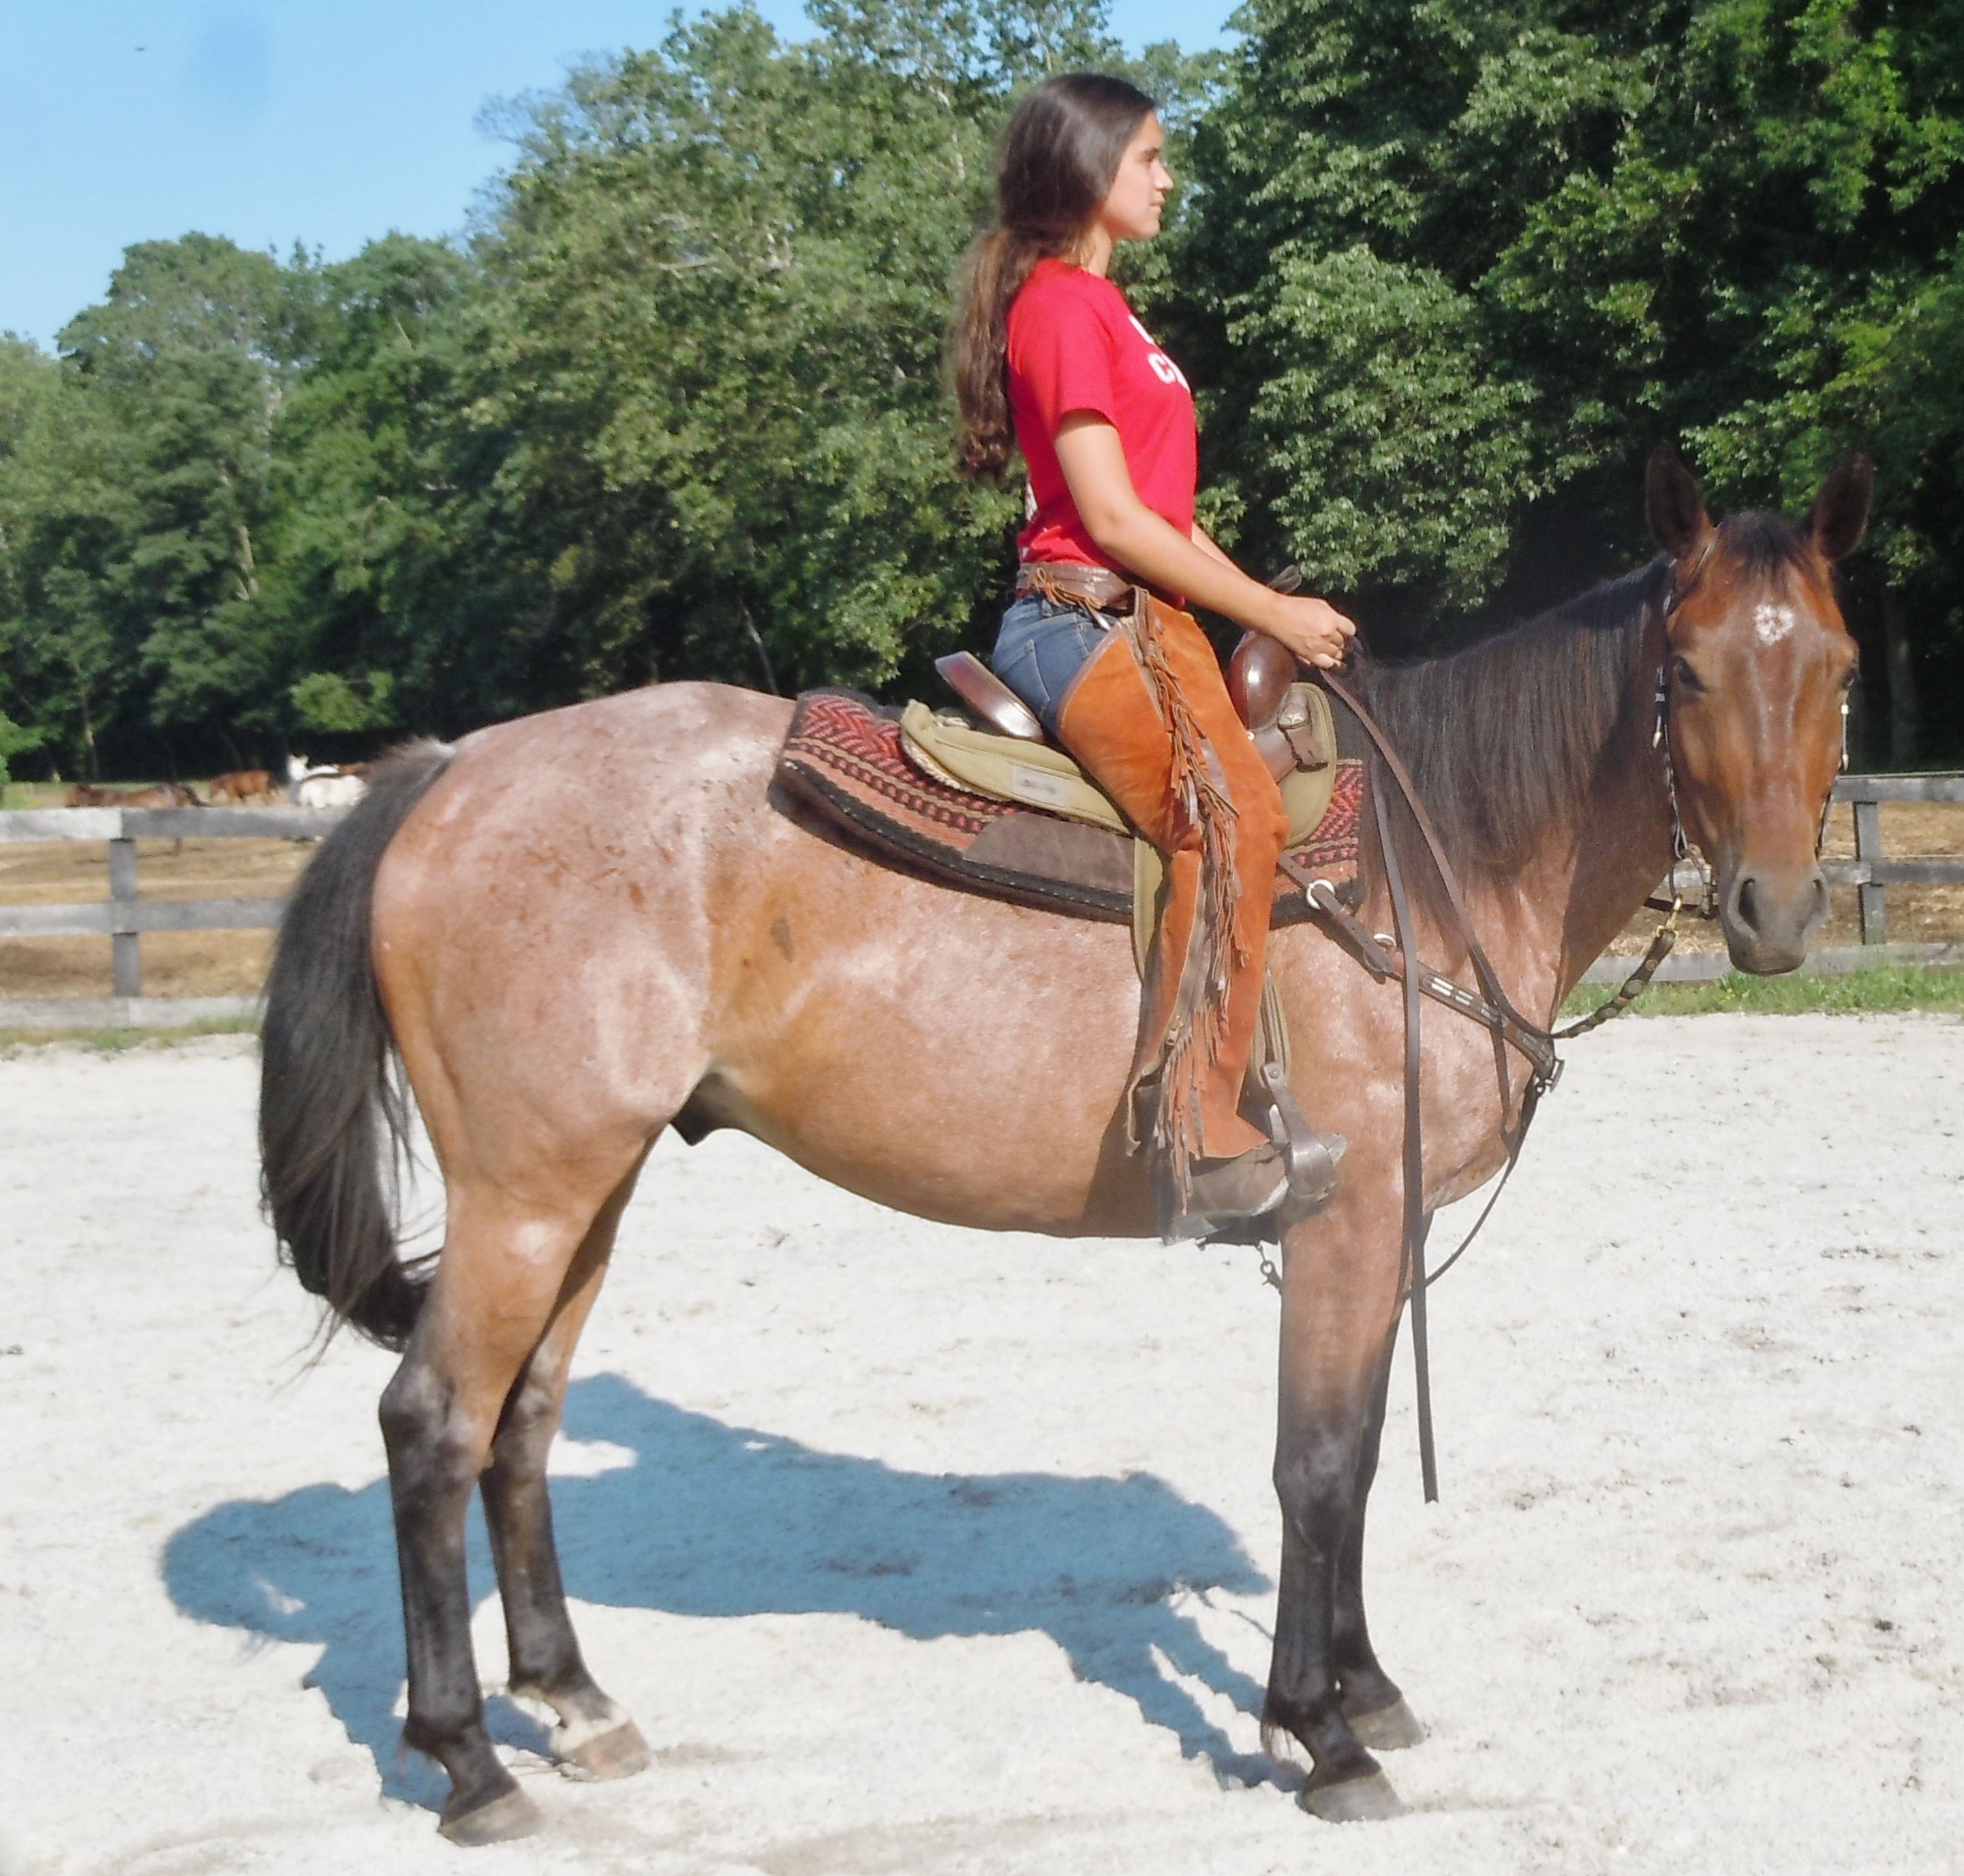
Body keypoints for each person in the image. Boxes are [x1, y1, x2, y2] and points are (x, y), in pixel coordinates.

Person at [950, 72, 1356, 1240]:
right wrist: (1271, 619)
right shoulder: (1062, 305)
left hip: (1146, 614)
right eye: (1149, 158)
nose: (1166, 178)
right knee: (1228, 818)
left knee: (1256, 800)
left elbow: (1165, 522)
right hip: (1079, 617)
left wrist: (1261, 601)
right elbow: (1111, 523)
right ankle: (1194, 1133)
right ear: (1088, 172)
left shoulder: (1110, 315)